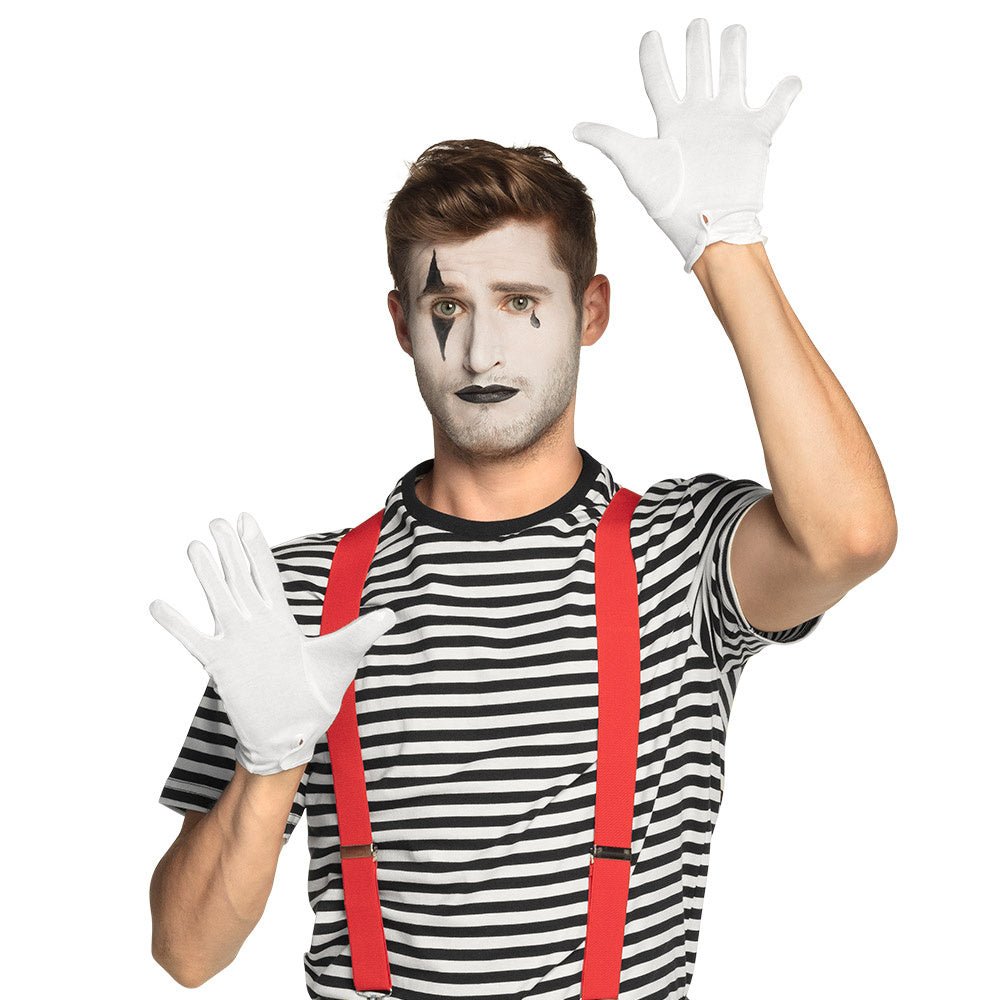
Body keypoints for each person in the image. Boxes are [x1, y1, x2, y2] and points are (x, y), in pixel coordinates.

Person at [148, 18, 896, 999]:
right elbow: (186, 951)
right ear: (403, 324)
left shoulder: (680, 557)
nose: (480, 351)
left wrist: (727, 242)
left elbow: (850, 537)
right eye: (447, 307)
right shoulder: (296, 594)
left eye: (519, 301)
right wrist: (269, 759)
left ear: (591, 311)